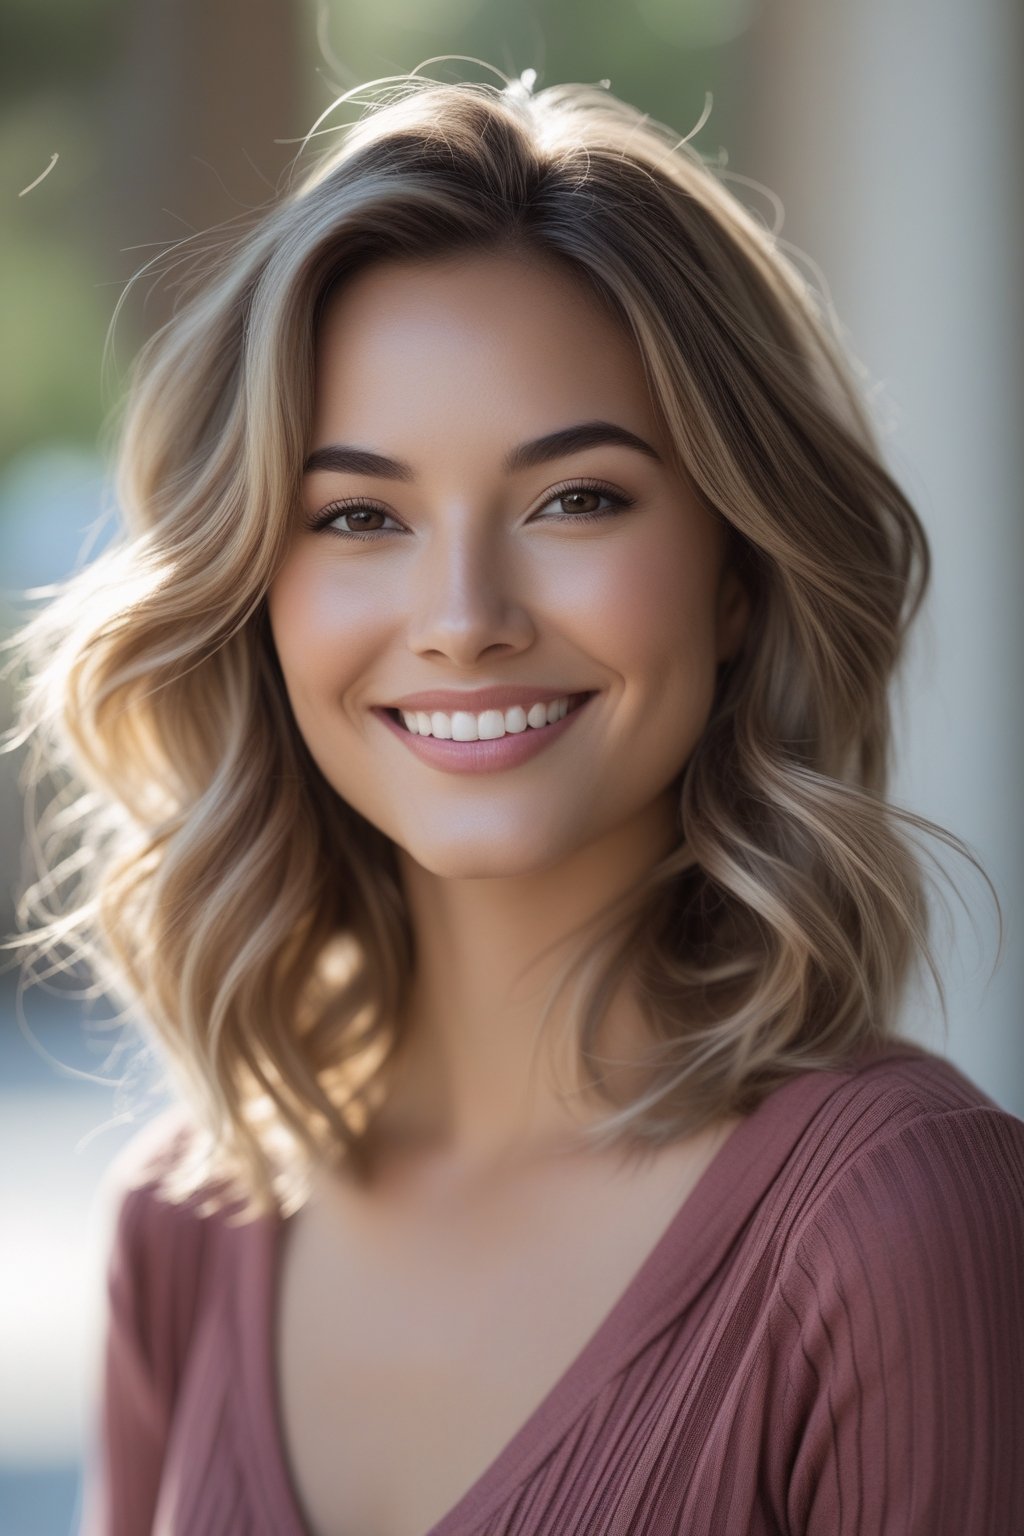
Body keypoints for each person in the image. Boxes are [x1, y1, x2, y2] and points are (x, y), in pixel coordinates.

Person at [4, 65, 1023, 1536]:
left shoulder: (899, 1227)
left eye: (576, 499)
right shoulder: (187, 1229)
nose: (465, 616)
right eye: (359, 516)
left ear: (738, 574)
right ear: (258, 597)